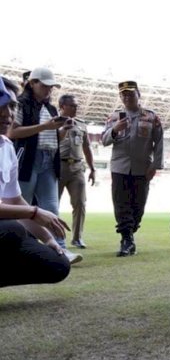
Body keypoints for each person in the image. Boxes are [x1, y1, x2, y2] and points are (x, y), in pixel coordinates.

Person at [1, 76, 71, 288]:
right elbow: (21, 210)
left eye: (12, 106)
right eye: (2, 106)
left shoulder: (6, 147)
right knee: (12, 230)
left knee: (57, 264)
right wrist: (34, 212)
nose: (8, 114)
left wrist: (47, 238)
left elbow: (14, 200)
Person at [8, 67, 83, 264]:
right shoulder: (21, 104)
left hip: (49, 161)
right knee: (20, 207)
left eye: (51, 87)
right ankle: (21, 249)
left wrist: (61, 130)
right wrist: (46, 126)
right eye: (45, 85)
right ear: (32, 83)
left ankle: (61, 248)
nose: (49, 90)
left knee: (51, 207)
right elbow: (12, 133)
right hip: (27, 162)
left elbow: (51, 138)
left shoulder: (49, 109)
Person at [101, 81, 163, 257]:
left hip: (142, 169)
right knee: (121, 205)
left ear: (139, 95)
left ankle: (130, 232)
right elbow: (104, 141)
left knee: (138, 207)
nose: (126, 97)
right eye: (123, 95)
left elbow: (159, 143)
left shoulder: (151, 117)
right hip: (119, 168)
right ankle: (126, 239)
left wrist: (155, 166)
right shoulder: (114, 118)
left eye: (130, 94)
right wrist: (115, 130)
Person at [58, 94, 96, 249]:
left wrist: (92, 169)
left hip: (77, 168)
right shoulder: (53, 123)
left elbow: (87, 147)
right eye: (72, 105)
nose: (76, 108)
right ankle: (54, 237)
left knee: (80, 203)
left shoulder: (81, 124)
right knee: (53, 204)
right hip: (58, 166)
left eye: (76, 105)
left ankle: (77, 238)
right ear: (62, 106)